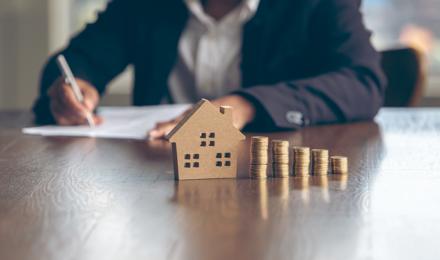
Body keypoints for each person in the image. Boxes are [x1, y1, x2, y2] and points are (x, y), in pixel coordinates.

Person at [33, 0, 386, 139]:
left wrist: (245, 105)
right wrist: (75, 86)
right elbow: (79, 58)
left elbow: (362, 81)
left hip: (276, 186)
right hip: (154, 177)